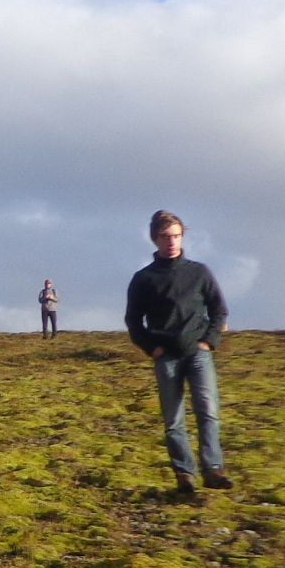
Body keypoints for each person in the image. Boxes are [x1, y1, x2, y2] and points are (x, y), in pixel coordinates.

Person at [123, 210, 230, 494]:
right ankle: (185, 474)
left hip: (198, 352)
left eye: (176, 236)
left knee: (208, 412)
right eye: (165, 237)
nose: (171, 242)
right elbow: (133, 320)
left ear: (182, 237)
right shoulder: (144, 279)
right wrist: (152, 348)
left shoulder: (199, 272)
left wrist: (209, 341)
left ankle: (213, 469)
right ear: (154, 239)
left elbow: (219, 310)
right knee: (173, 419)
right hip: (166, 356)